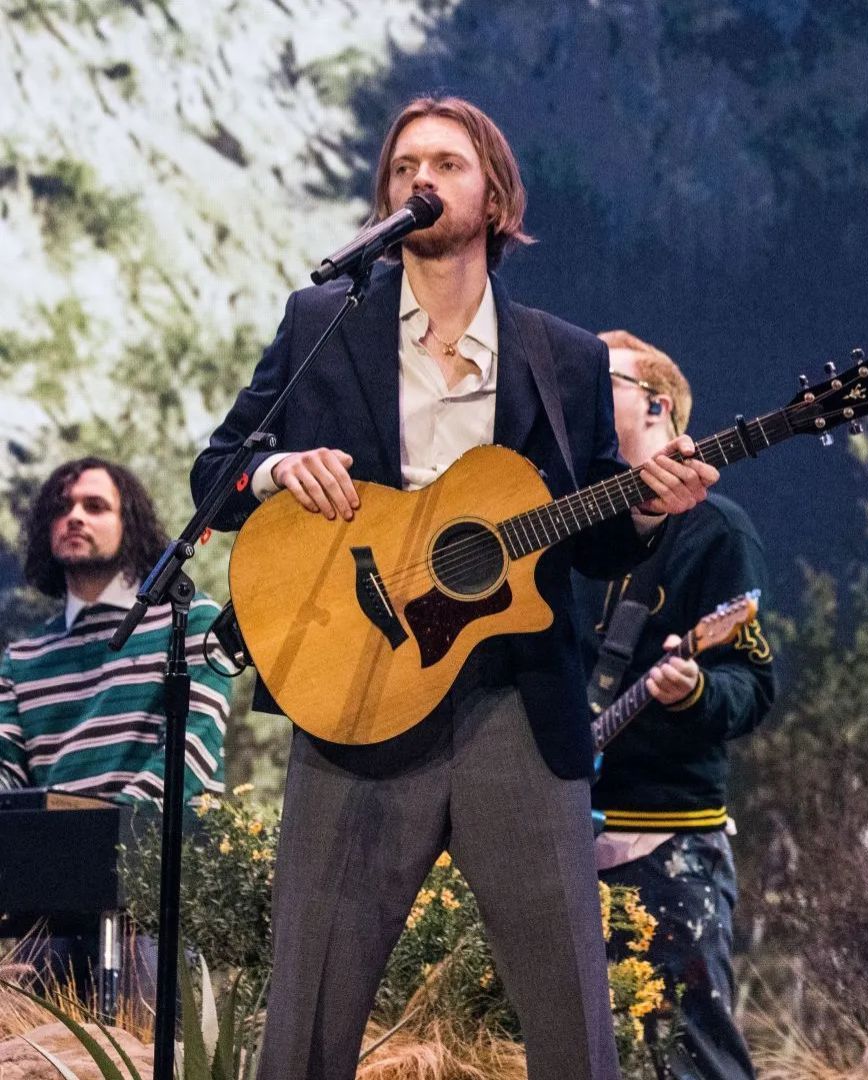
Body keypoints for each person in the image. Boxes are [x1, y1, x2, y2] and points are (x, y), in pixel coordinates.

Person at [189, 96, 718, 1080]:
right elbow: (213, 473)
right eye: (403, 168)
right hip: (358, 694)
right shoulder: (324, 322)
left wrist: (648, 509)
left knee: (571, 1027)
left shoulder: (562, 358)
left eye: (447, 162)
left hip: (516, 704)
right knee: (302, 1028)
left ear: (495, 195)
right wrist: (273, 472)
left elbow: (594, 543)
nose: (420, 180)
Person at [577, 330, 775, 1080]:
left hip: (665, 851)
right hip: (560, 844)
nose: (581, 393)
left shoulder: (717, 529)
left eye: (604, 382)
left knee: (691, 1061)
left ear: (658, 405)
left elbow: (753, 687)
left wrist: (694, 692)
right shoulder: (565, 526)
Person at [0, 457, 229, 803]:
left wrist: (111, 828)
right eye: (62, 508)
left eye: (95, 507)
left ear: (130, 524)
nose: (75, 517)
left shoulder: (190, 619)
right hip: (55, 849)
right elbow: (7, 777)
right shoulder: (22, 659)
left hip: (165, 849)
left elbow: (191, 747)